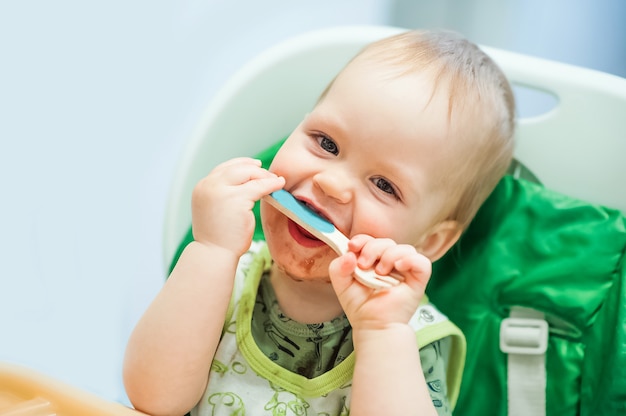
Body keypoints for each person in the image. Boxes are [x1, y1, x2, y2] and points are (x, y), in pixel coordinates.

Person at [123, 29, 516, 416]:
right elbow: (152, 398)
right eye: (326, 143)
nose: (331, 183)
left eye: (383, 185)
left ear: (430, 242)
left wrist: (380, 333)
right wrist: (210, 249)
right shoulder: (225, 277)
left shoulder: (407, 338)